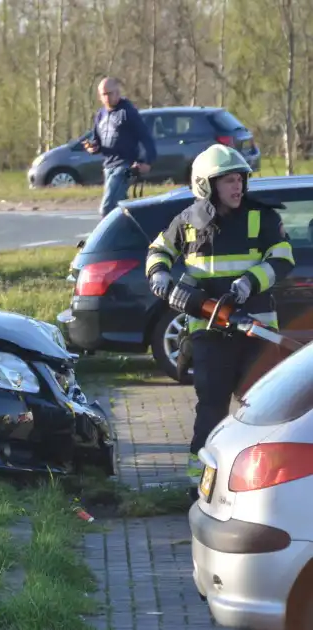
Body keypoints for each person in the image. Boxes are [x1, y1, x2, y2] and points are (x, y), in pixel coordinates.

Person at [144, 144, 295, 484]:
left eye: (240, 178)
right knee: (210, 409)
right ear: (206, 185)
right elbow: (158, 251)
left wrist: (247, 284)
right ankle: (201, 482)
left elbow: (283, 257)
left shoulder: (262, 217)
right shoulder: (186, 221)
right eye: (227, 180)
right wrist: (159, 274)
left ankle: (263, 481)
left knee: (261, 410)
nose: (237, 186)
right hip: (209, 332)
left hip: (256, 330)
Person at [83, 77, 157, 217]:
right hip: (108, 167)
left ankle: (105, 238)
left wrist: (147, 161)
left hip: (126, 166)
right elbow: (98, 141)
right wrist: (93, 147)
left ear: (117, 92)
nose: (107, 97)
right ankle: (133, 235)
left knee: (107, 208)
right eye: (103, 94)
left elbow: (146, 137)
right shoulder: (100, 115)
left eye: (110, 93)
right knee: (121, 208)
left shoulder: (127, 112)